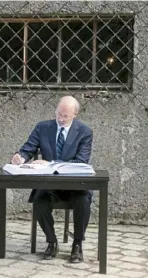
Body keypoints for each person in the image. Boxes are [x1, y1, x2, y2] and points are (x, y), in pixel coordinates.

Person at [11, 96, 93, 263]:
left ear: (75, 114)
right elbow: (28, 148)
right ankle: (51, 241)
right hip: (49, 184)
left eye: (65, 116)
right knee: (39, 201)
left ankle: (77, 244)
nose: (61, 119)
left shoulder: (85, 132)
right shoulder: (43, 127)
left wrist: (51, 163)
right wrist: (20, 157)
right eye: (58, 114)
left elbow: (81, 162)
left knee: (83, 200)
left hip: (73, 185)